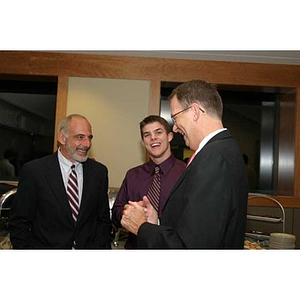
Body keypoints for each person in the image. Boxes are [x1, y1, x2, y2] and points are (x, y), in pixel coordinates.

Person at [121, 80, 248, 249]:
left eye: (175, 117)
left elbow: (190, 247)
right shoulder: (226, 150)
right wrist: (156, 222)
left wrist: (142, 228)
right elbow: (197, 229)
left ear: (194, 111)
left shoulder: (212, 158)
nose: (174, 128)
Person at [8, 114, 111, 249]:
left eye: (89, 137)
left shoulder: (99, 173)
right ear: (62, 138)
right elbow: (19, 223)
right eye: (80, 137)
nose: (87, 144)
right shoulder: (35, 171)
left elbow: (103, 221)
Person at [112, 115, 186, 248]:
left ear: (169, 137)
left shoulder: (186, 173)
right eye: (147, 135)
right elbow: (116, 212)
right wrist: (130, 212)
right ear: (143, 143)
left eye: (158, 132)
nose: (153, 138)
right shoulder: (133, 175)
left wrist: (155, 221)